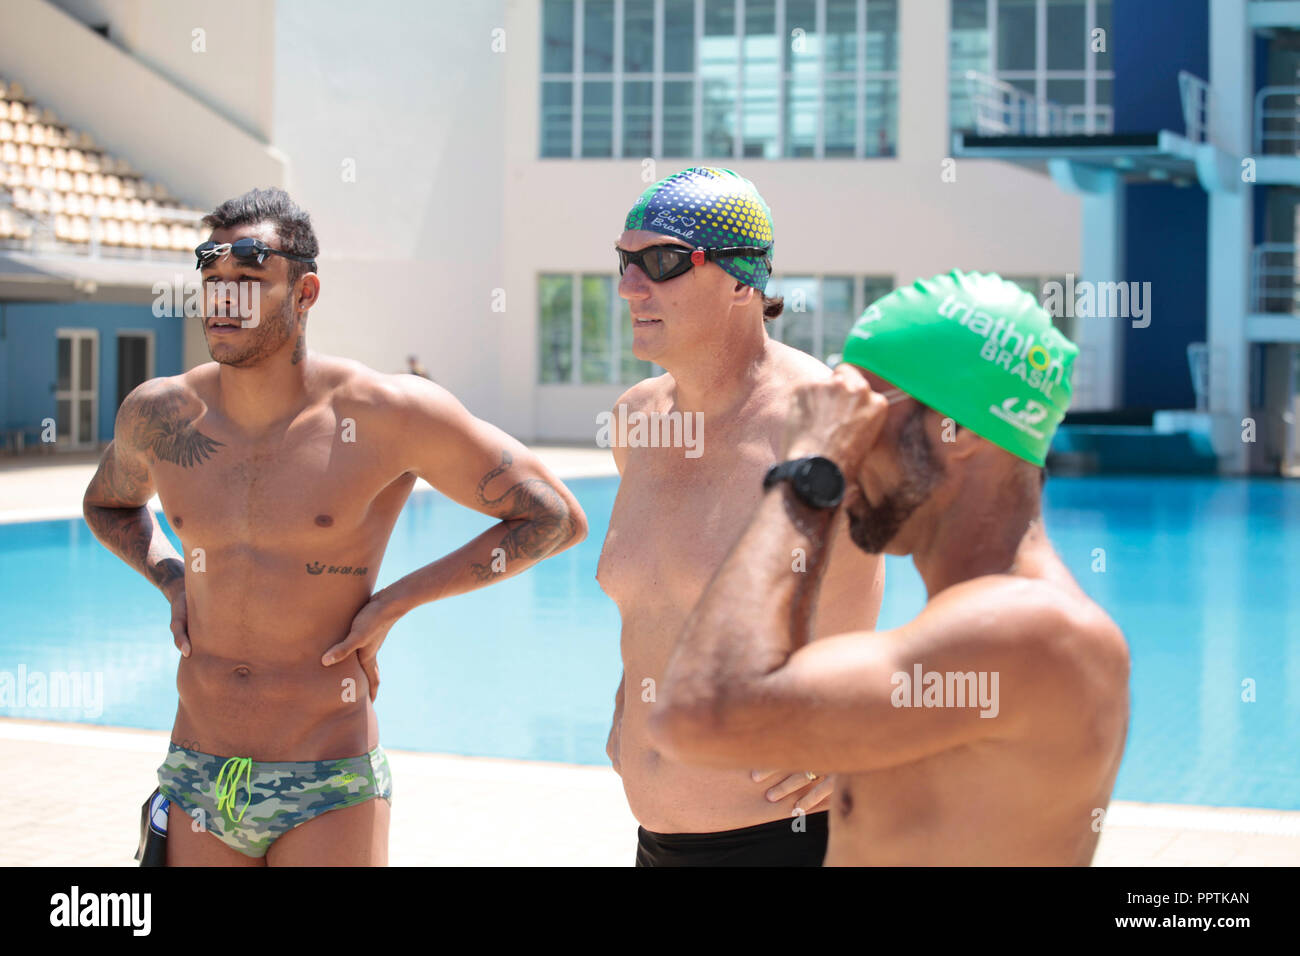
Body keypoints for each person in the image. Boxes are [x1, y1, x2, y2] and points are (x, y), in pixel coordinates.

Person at [84, 187, 587, 866]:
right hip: (197, 769)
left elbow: (553, 517)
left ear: (305, 291)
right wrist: (170, 576)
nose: (224, 298)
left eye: (250, 281)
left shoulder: (385, 414)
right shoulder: (161, 414)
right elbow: (108, 503)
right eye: (213, 278)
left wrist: (394, 603)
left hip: (326, 779)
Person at [650, 270, 1131, 865]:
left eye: (861, 415)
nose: (846, 451)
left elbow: (700, 713)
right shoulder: (977, 625)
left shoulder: (1037, 632)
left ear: (958, 431)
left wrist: (809, 471)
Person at [598, 167, 885, 866]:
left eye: (662, 262)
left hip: (789, 839)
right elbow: (661, 603)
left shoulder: (823, 418)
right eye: (625, 262)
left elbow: (975, 579)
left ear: (740, 279)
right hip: (656, 841)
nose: (631, 287)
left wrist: (867, 722)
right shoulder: (638, 420)